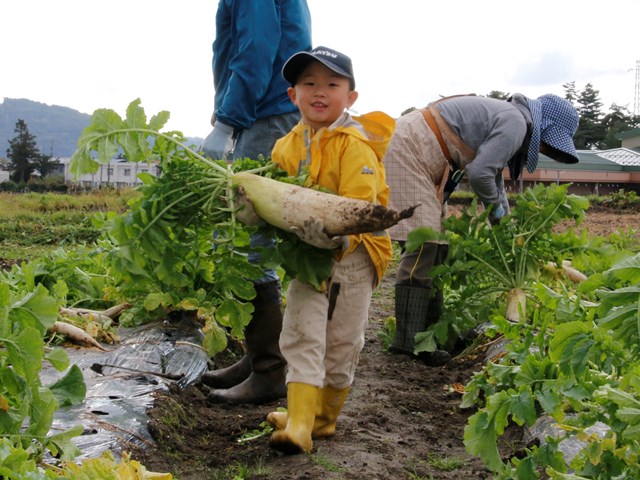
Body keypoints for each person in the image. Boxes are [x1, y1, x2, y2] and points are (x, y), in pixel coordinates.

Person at [259, 46, 395, 454]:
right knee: (301, 332)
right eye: (309, 84)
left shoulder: (356, 146)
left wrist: (334, 236)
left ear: (350, 97)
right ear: (292, 95)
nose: (320, 92)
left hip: (354, 256)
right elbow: (278, 200)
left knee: (341, 344)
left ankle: (323, 419)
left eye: (332, 85)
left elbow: (360, 208)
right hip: (306, 255)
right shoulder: (285, 148)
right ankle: (299, 422)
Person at [383, 93, 580, 359]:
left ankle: (429, 337)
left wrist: (506, 230)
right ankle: (407, 345)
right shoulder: (515, 123)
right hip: (410, 149)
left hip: (416, 149)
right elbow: (480, 174)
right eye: (549, 146)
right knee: (424, 245)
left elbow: (494, 180)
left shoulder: (511, 119)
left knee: (437, 249)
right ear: (544, 128)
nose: (546, 150)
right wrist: (500, 220)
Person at [199, 0, 312, 405]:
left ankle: (269, 371)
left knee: (249, 243)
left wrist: (229, 118)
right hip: (267, 112)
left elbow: (257, 47)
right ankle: (256, 358)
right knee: (252, 238)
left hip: (267, 113)